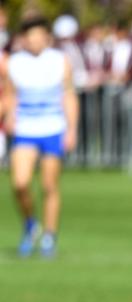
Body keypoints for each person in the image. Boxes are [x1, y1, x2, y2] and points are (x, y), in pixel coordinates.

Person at [2, 17, 79, 258]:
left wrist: (72, 128)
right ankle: (30, 225)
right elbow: (11, 95)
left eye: (39, 35)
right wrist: (10, 115)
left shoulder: (59, 61)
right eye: (30, 35)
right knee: (20, 183)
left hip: (52, 127)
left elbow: (68, 94)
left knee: (49, 185)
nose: (34, 40)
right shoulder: (15, 63)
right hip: (25, 128)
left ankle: (49, 235)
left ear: (47, 37)